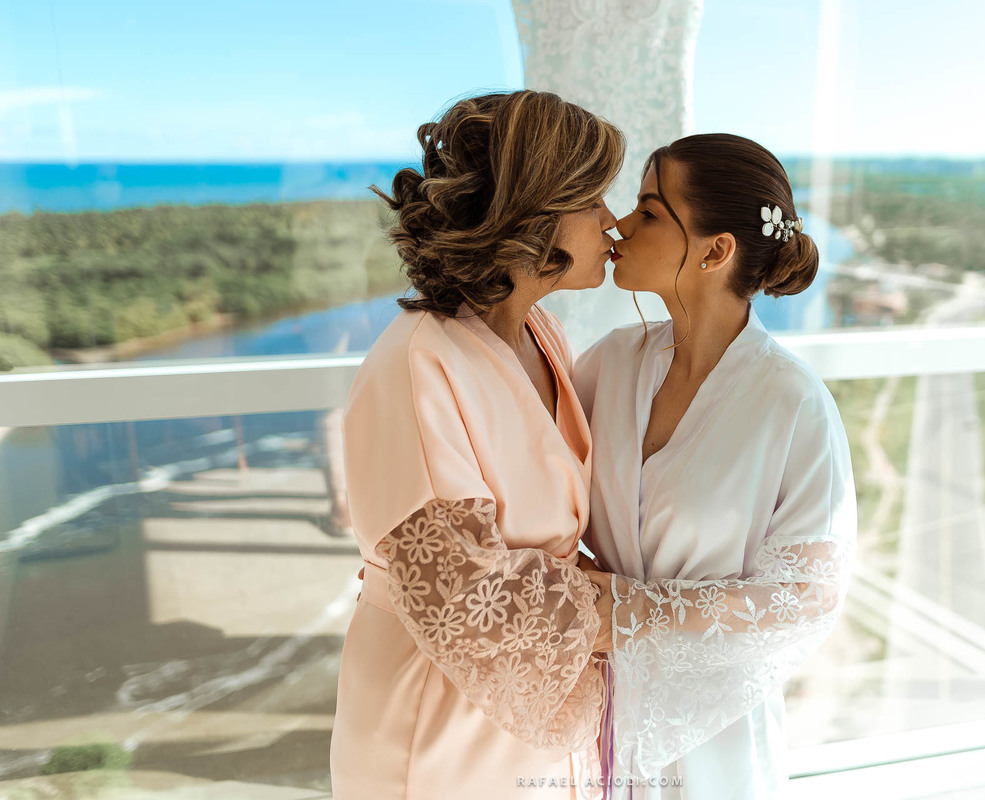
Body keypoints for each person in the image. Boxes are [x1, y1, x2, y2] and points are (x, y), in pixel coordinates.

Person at [330, 90, 623, 799]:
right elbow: (463, 597)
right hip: (440, 715)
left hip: (533, 695)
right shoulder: (418, 363)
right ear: (534, 211)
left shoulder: (542, 334)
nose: (611, 222)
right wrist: (655, 613)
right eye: (592, 200)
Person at [573, 134, 857, 799]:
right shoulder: (607, 364)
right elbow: (542, 491)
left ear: (715, 250)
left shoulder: (792, 402)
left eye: (649, 211)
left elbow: (806, 599)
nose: (619, 224)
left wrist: (627, 611)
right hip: (595, 707)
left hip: (716, 732)